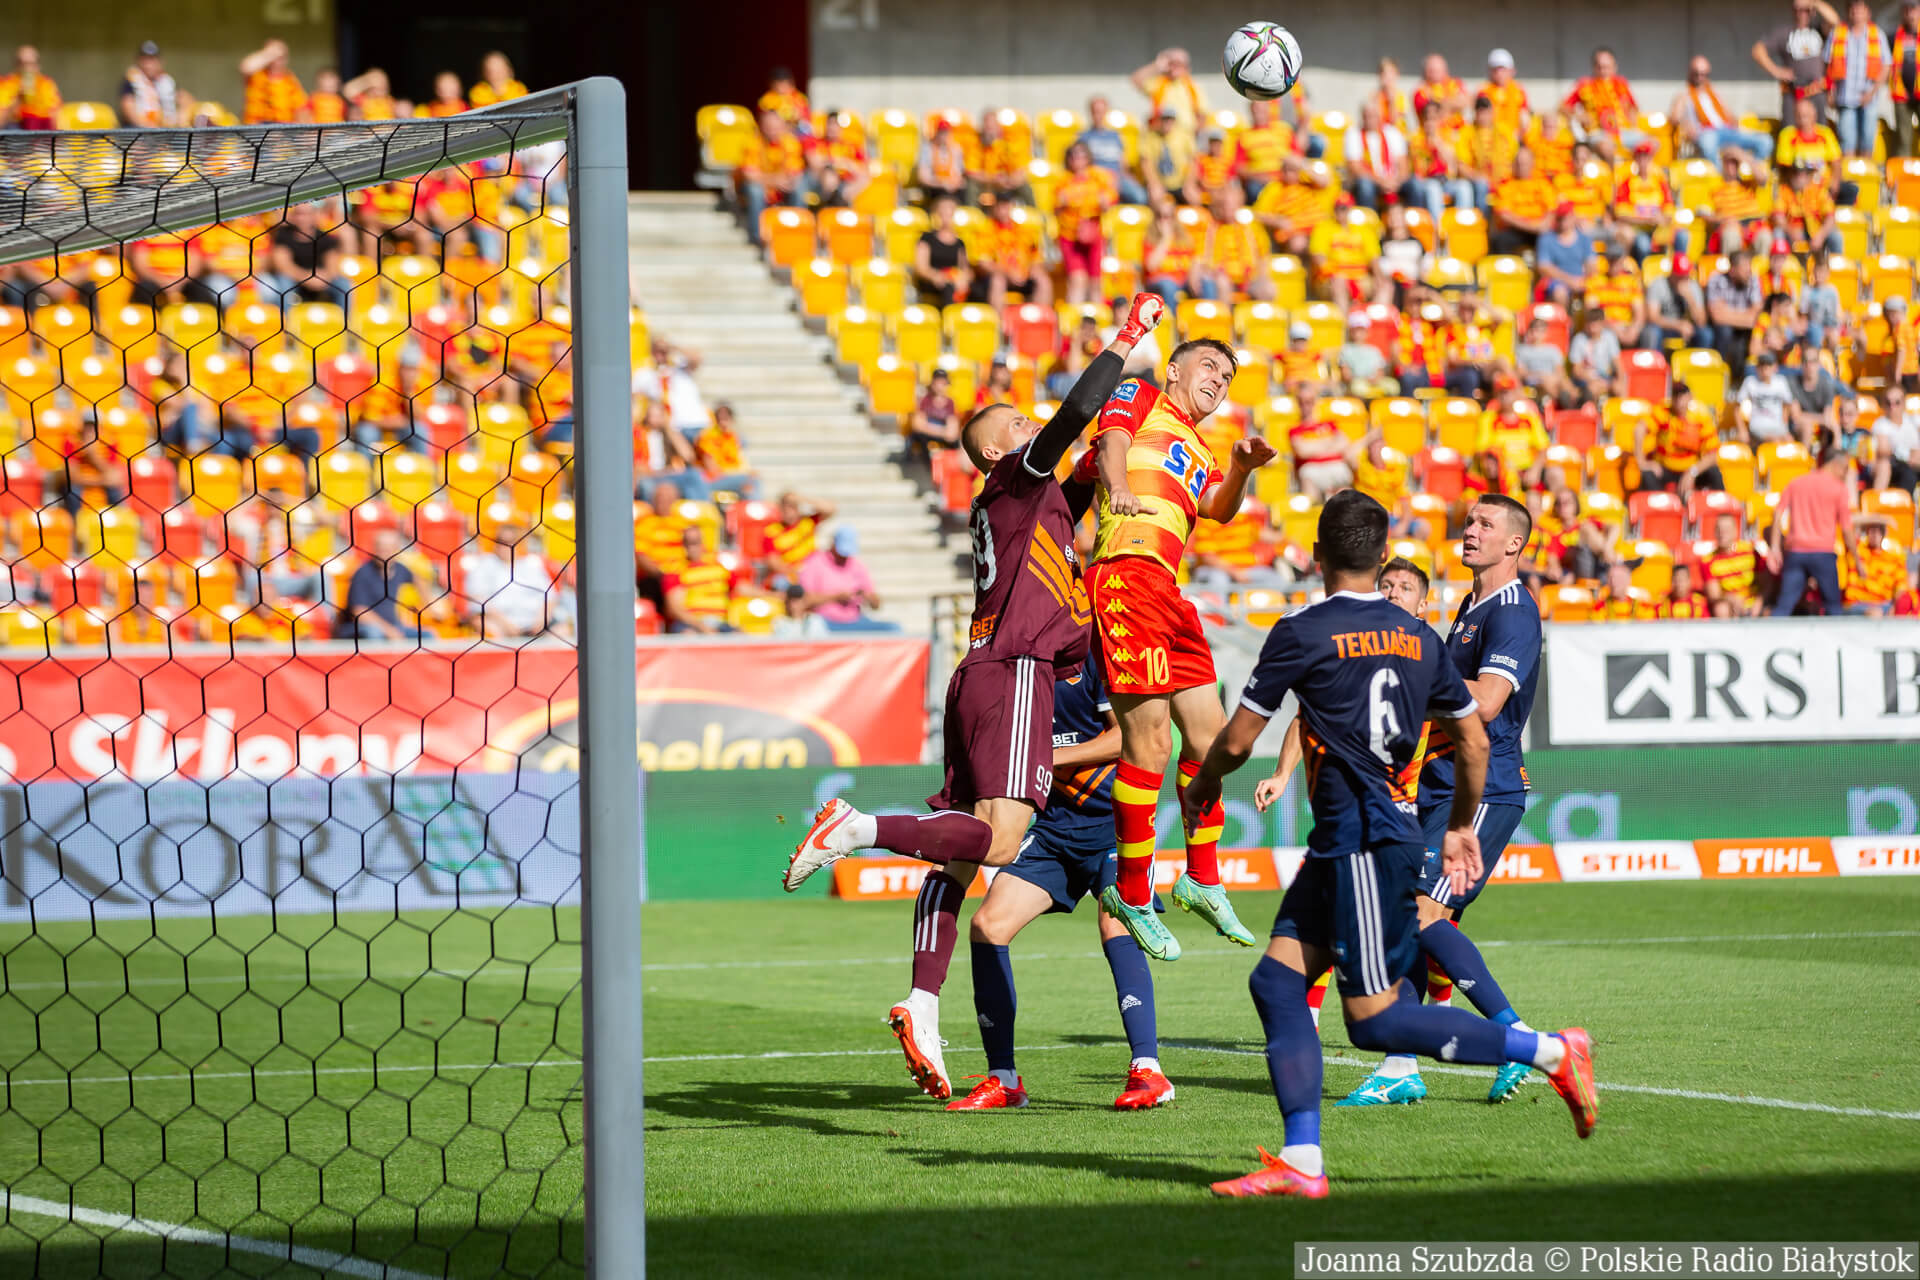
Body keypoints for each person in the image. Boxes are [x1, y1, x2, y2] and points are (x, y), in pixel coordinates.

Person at [783, 297, 1167, 1101]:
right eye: (1017, 423)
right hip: (1017, 668)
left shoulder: (1033, 506)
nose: (1033, 426)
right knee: (998, 842)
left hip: (981, 669)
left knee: (959, 855)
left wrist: (1142, 407)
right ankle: (857, 827)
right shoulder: (1016, 477)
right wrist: (1128, 341)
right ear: (996, 447)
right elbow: (1075, 418)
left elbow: (1096, 461)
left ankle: (923, 1003)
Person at [1187, 490, 1595, 1199]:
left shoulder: (1299, 630)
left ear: (1317, 555)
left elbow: (1238, 739)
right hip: (1354, 838)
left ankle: (1550, 1051)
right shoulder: (1419, 637)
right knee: (1275, 982)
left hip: (1366, 841)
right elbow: (1472, 739)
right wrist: (1461, 822)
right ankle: (1301, 1162)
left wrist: (1203, 783)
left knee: (1374, 1022)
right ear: (1382, 559)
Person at [1333, 495, 1553, 1107]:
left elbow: (1486, 701)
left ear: (1514, 543)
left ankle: (1518, 1039)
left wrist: (1401, 693)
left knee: (1420, 915)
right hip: (1436, 788)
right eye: (1470, 521)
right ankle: (1401, 1065)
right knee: (1406, 921)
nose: (1470, 530)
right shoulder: (1470, 607)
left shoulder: (1514, 611)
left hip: (1483, 789)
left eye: (1486, 524)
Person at [1086, 338, 1280, 961]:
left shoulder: (1199, 446)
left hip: (1168, 590)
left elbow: (1217, 510)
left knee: (1212, 740)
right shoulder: (1141, 394)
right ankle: (1131, 892)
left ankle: (1201, 877)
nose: (1219, 379)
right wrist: (1118, 486)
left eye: (1227, 376)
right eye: (1209, 367)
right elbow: (1111, 443)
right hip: (1126, 573)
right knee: (1150, 744)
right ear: (1174, 370)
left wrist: (1242, 468)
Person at [946, 652, 1177, 1112]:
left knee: (1116, 923)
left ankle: (1148, 1071)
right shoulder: (1009, 676)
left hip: (1117, 825)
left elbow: (1127, 737)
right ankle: (1004, 1079)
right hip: (1053, 831)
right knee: (987, 925)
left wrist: (1047, 759)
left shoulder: (1093, 660)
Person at [1769, 442, 1859, 614]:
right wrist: (1857, 559)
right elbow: (1847, 529)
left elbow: (1777, 514)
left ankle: (1771, 632)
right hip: (1823, 554)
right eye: (1845, 469)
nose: (1845, 474)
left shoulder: (1797, 483)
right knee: (1833, 607)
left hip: (1796, 552)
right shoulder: (1838, 488)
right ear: (1835, 464)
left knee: (1784, 607)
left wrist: (1775, 547)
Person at [460, 519, 555, 638]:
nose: (505, 546)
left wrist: (541, 621)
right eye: (501, 541)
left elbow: (550, 597)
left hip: (534, 623)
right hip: (499, 623)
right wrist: (506, 624)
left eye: (511, 541)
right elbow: (478, 599)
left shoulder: (531, 564)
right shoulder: (484, 565)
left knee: (562, 630)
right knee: (484, 625)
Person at [1671, 57, 1773, 163]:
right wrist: (1687, 125)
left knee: (1765, 141)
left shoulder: (1713, 93)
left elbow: (1730, 116)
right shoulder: (1684, 95)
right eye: (1696, 74)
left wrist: (1736, 125)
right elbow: (1674, 119)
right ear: (1690, 74)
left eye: (1704, 74)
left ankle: (1750, 169)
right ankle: (1720, 173)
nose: (1700, 77)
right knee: (1708, 144)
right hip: (1706, 132)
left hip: (1727, 131)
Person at [1754, 0, 1842, 124]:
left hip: (1816, 93)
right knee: (1789, 131)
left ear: (1812, 12)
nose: (1801, 13)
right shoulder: (1784, 33)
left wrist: (1813, 3)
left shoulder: (1819, 30)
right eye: (1797, 10)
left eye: (1805, 10)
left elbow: (1835, 21)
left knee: (1819, 130)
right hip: (1793, 94)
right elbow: (1758, 50)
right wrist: (1776, 71)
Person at [1053, 144, 1116, 307]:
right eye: (1073, 156)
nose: (1077, 159)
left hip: (1094, 234)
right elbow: (1055, 207)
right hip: (1071, 236)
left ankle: (1098, 318)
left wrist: (1102, 202)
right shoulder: (1062, 180)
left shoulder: (1098, 177)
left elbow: (1109, 200)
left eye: (1081, 155)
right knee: (1077, 281)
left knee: (1096, 282)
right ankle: (1073, 318)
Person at [796, 527, 893, 633]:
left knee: (893, 628)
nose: (844, 556)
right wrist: (836, 597)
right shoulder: (815, 563)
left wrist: (869, 597)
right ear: (833, 543)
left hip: (855, 620)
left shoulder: (857, 565)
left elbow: (876, 605)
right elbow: (804, 600)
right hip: (825, 621)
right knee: (815, 629)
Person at [1826, 0, 1890, 155]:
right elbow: (1827, 64)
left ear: (1867, 12)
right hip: (1845, 98)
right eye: (1853, 9)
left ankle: (1865, 170)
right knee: (1847, 141)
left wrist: (1872, 92)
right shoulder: (1837, 33)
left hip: (1869, 99)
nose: (1856, 13)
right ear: (1848, 12)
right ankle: (1848, 170)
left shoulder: (1878, 34)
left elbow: (1886, 65)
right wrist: (1830, 91)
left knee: (1867, 141)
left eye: (1859, 9)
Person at [1639, 382, 1724, 497]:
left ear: (1690, 397)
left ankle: (1720, 506)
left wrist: (1692, 472)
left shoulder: (1700, 417)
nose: (1679, 401)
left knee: (1714, 472)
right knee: (1648, 474)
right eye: (1675, 395)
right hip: (1666, 467)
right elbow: (1639, 429)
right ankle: (1659, 506)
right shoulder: (1664, 412)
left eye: (1682, 395)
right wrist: (1642, 462)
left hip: (1691, 467)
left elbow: (1713, 454)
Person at [336, 526, 419, 642]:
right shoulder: (362, 573)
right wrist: (389, 630)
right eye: (381, 548)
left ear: (396, 550)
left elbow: (418, 580)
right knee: (374, 632)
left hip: (395, 627)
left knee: (427, 635)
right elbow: (359, 612)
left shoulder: (401, 569)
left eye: (388, 549)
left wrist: (430, 603)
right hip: (362, 629)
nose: (384, 553)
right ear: (374, 548)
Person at [1561, 47, 1638, 163]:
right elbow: (1563, 107)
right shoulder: (1584, 84)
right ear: (1594, 67)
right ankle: (1613, 175)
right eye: (1600, 67)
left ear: (1614, 67)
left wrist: (1633, 119)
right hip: (1598, 133)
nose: (1603, 71)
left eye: (1606, 67)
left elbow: (1634, 107)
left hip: (1623, 132)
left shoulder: (1622, 84)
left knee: (1652, 143)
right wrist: (1579, 116)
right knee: (1607, 147)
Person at [662, 525, 739, 634]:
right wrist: (702, 627)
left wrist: (765, 594)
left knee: (739, 635)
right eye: (688, 542)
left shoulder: (717, 567)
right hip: (691, 624)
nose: (692, 547)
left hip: (720, 623)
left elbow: (740, 587)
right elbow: (676, 608)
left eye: (696, 542)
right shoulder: (675, 571)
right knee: (688, 634)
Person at [1076, 96, 1148, 205]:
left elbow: (1122, 162)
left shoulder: (1115, 136)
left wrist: (1125, 177)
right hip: (1095, 180)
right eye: (1096, 112)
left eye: (1101, 112)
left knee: (1140, 197)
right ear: (1090, 113)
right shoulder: (1084, 137)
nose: (1098, 115)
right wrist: (1103, 178)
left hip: (1118, 178)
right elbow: (1082, 165)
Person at [1342, 101, 1411, 213]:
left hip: (1394, 180)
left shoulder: (1392, 132)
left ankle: (1414, 220)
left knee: (1415, 186)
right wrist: (1381, 182)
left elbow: (1403, 165)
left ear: (1379, 116)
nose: (1370, 120)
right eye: (1367, 116)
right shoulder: (1354, 133)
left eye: (1373, 116)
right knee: (1365, 186)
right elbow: (1355, 168)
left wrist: (1395, 182)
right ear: (1362, 117)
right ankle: (1370, 219)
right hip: (1371, 181)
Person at [1707, 249, 1764, 382]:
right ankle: (1719, 374)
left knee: (1755, 334)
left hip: (1745, 331)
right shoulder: (1717, 280)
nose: (1749, 271)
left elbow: (1755, 317)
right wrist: (1745, 315)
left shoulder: (1753, 280)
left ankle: (1743, 380)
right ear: (1733, 270)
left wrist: (1727, 312)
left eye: (1749, 267)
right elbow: (1717, 317)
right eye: (1745, 268)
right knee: (1723, 331)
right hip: (1722, 330)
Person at [1488, 147, 1556, 256]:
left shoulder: (1543, 182)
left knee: (1553, 240)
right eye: (1518, 163)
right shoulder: (1506, 184)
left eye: (1525, 163)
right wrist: (1531, 227)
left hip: (1540, 230)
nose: (1521, 167)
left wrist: (1544, 225)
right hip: (1516, 230)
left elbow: (1552, 210)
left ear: (1532, 163)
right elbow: (1505, 216)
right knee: (1500, 241)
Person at [1131, 47, 1206, 143]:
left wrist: (1196, 135)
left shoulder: (1192, 87)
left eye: (1179, 64)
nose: (1175, 67)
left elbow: (1202, 114)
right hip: (1162, 137)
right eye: (1172, 64)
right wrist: (1157, 66)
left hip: (1186, 139)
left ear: (1186, 67)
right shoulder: (1159, 84)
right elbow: (1136, 79)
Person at [1841, 517, 1905, 614]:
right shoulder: (1856, 551)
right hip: (1857, 604)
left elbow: (1901, 588)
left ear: (1884, 534)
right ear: (1866, 533)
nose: (1874, 534)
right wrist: (1879, 519)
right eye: (1871, 531)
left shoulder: (1895, 559)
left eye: (1878, 531)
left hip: (1884, 605)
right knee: (1875, 613)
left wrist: (1894, 607)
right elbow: (1848, 524)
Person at [1703, 512, 1762, 616]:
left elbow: (1766, 583)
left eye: (1726, 529)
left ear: (1735, 531)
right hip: (1730, 605)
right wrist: (1732, 599)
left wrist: (1759, 601)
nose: (1722, 533)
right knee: (1721, 608)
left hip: (1753, 603)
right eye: (1719, 529)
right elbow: (1714, 594)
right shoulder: (1708, 560)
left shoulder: (1751, 552)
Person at [119, 42, 191, 128]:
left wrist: (182, 115)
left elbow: (186, 100)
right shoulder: (131, 80)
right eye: (145, 59)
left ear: (160, 62)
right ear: (138, 61)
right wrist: (149, 126)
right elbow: (128, 108)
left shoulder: (166, 81)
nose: (148, 64)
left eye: (152, 59)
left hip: (165, 129)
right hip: (138, 130)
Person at [1736, 351, 1797, 445]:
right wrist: (1742, 429)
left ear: (1774, 367)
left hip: (1777, 426)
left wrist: (1784, 423)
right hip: (1758, 426)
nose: (1765, 369)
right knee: (1775, 442)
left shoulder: (1780, 381)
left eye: (1768, 365)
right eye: (1762, 365)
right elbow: (1736, 408)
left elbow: (1788, 403)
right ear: (1757, 368)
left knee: (1790, 443)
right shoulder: (1750, 382)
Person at [240, 40, 308, 124]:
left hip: (283, 128)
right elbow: (246, 68)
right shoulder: (255, 75)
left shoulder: (290, 80)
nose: (276, 61)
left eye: (281, 57)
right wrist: (269, 55)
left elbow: (301, 109)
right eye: (273, 56)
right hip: (256, 128)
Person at [0, 46, 60, 130]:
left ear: (38, 66)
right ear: (16, 65)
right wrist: (18, 100)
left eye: (31, 64)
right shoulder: (6, 84)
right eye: (23, 63)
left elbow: (56, 116)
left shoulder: (46, 84)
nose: (27, 68)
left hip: (40, 129)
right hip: (15, 130)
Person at [1873, 386, 1920, 491]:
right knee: (1908, 474)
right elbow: (1884, 450)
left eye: (1897, 402)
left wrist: (1916, 456)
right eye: (1888, 402)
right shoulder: (1881, 423)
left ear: (1904, 403)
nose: (1892, 406)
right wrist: (1909, 456)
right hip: (1897, 465)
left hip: (1916, 462)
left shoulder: (1914, 420)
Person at [908, 369, 960, 463]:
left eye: (943, 383)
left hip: (940, 434)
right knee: (920, 437)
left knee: (955, 442)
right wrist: (942, 431)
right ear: (932, 384)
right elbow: (918, 425)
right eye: (937, 383)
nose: (939, 386)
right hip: (930, 435)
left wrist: (931, 429)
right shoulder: (925, 400)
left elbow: (953, 430)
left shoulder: (950, 402)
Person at [1478, 48, 1530, 137]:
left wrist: (1518, 135)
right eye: (1496, 70)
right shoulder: (1484, 90)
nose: (1499, 73)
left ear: (1512, 71)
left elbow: (1524, 118)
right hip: (1491, 138)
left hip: (1514, 137)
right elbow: (1481, 118)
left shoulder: (1518, 90)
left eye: (1503, 69)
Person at [1895, 1, 1920, 157]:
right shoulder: (1896, 34)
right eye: (1906, 10)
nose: (1910, 14)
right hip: (1901, 93)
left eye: (1913, 10)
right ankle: (1902, 169)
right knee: (1903, 137)